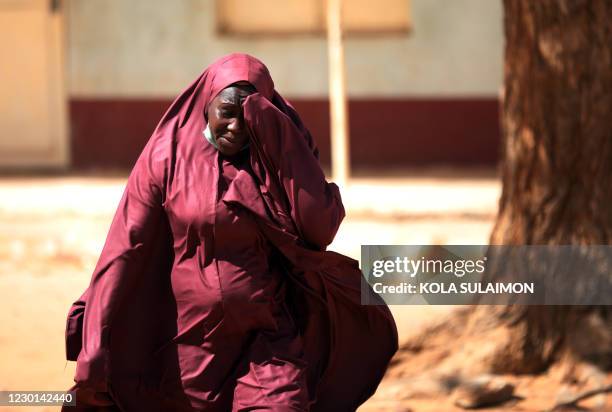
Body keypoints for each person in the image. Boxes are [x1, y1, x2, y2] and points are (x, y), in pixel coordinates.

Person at [63, 53, 397, 411]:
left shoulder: (279, 155)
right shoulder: (166, 157)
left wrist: (280, 136)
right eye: (226, 111)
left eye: (250, 115)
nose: (236, 127)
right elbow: (125, 249)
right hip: (187, 348)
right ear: (206, 105)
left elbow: (320, 227)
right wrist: (95, 343)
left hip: (267, 341)